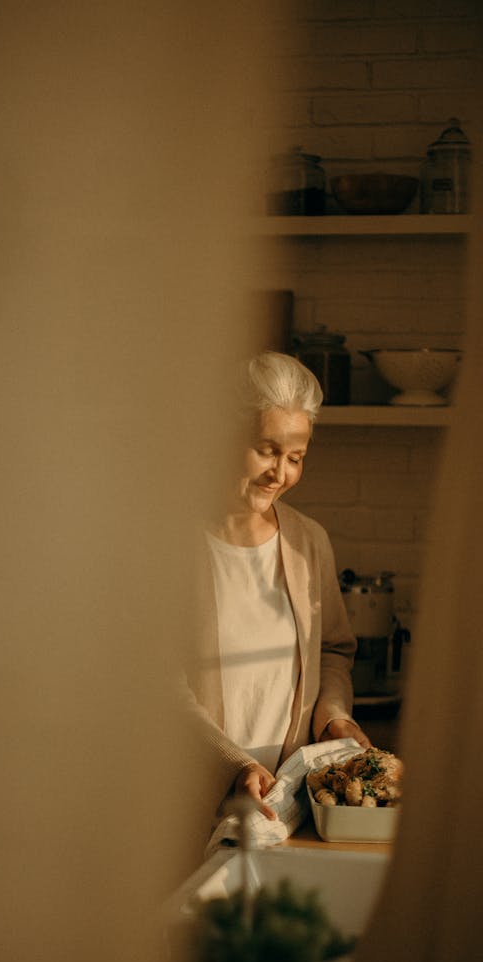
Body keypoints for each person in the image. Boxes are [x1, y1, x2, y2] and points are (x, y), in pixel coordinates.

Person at [182, 350, 371, 827]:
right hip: (182, 806)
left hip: (280, 810)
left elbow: (332, 650)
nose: (280, 473)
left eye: (296, 457)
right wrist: (234, 764)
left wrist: (334, 718)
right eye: (266, 450)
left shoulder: (309, 542)